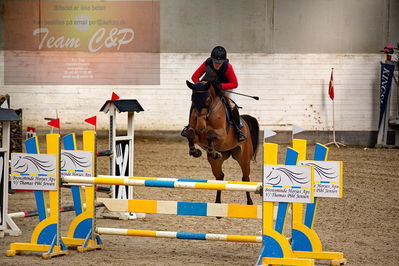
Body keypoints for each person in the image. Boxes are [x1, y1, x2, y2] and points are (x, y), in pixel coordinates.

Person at [181, 46, 246, 142]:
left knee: (232, 105)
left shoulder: (228, 67)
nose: (217, 64)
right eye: (215, 62)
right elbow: (194, 77)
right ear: (212, 59)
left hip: (225, 88)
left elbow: (235, 83)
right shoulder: (207, 63)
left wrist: (221, 86)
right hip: (209, 88)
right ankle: (189, 126)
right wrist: (201, 85)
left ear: (224, 61)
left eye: (220, 63)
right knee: (196, 101)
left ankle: (238, 130)